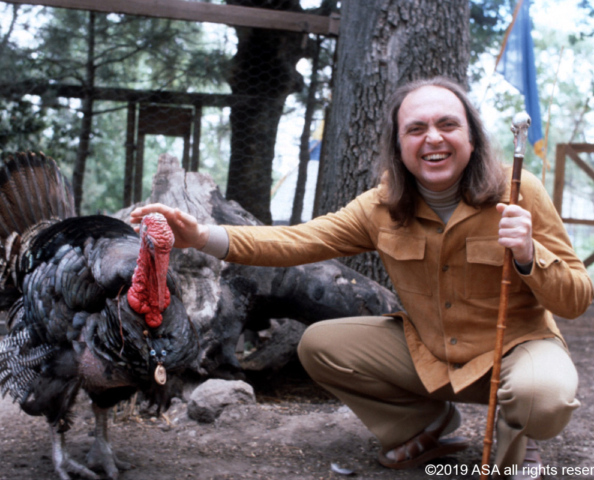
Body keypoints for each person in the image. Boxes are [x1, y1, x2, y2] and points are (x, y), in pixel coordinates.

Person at [131, 77, 593, 480]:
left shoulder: (519, 191)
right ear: (399, 145)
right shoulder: (380, 206)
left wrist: (531, 255)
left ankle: (515, 440)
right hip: (434, 356)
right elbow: (295, 242)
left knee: (541, 398)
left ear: (472, 136)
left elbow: (575, 299)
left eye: (448, 124)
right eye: (416, 129)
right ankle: (426, 425)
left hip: (514, 353)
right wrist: (200, 236)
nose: (433, 138)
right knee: (320, 345)